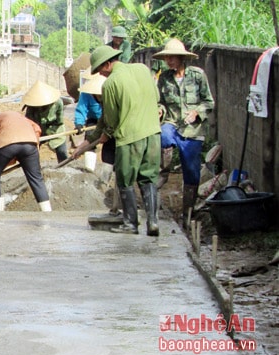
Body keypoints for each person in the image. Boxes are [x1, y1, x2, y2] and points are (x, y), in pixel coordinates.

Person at [88, 45, 161, 236]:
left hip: (130, 138)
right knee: (148, 178)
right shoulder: (143, 70)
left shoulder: (111, 83)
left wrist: (104, 134)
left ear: (107, 64)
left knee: (125, 179)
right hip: (153, 133)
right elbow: (157, 97)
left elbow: (110, 118)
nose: (101, 75)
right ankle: (153, 222)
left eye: (100, 71)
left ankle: (131, 224)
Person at [153, 38, 215, 225]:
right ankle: (162, 175)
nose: (169, 61)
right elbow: (160, 101)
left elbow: (209, 102)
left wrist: (197, 112)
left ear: (181, 58)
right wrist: (160, 110)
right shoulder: (164, 78)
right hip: (172, 123)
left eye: (173, 57)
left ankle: (188, 212)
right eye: (167, 58)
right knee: (163, 136)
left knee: (191, 170)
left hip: (192, 130)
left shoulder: (197, 76)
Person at [73, 74, 121, 216]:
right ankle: (101, 181)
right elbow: (83, 111)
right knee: (106, 153)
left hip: (119, 128)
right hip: (98, 122)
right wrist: (82, 144)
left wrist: (108, 133)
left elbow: (115, 119)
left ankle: (119, 194)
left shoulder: (113, 98)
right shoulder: (88, 96)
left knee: (117, 154)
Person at [23, 81, 68, 163]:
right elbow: (28, 123)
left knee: (62, 152)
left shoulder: (58, 103)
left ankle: (64, 167)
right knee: (31, 153)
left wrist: (50, 132)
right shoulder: (31, 106)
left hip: (55, 129)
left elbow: (60, 121)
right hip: (37, 130)